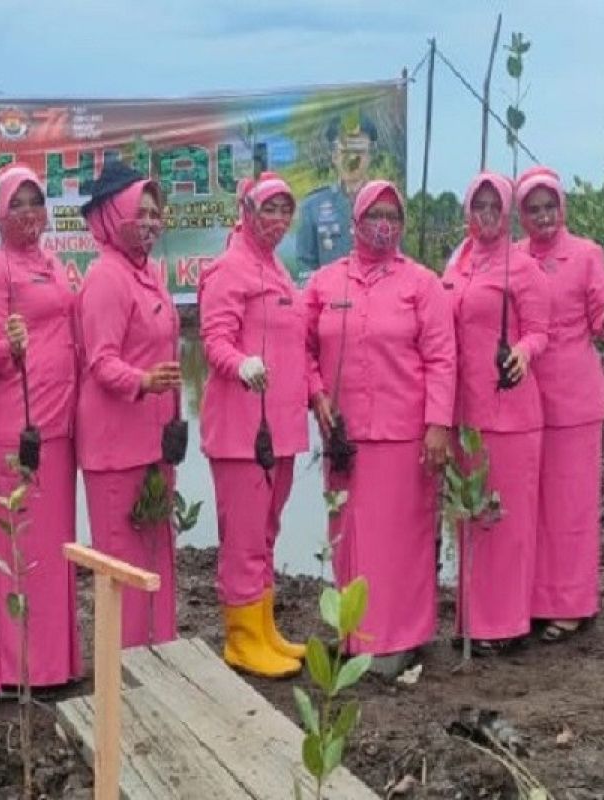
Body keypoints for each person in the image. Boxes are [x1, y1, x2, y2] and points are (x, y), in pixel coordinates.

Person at [306, 180, 456, 678]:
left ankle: (402, 638)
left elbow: (441, 358)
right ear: (356, 219)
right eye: (375, 213)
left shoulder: (423, 284)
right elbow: (301, 348)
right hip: (345, 437)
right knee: (349, 535)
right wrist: (317, 394)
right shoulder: (327, 284)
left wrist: (438, 426)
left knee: (402, 540)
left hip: (405, 434)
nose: (383, 223)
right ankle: (355, 636)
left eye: (393, 214)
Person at [0, 165, 82, 688]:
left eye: (37, 201)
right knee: (22, 550)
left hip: (59, 428)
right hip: (17, 431)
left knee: (55, 548)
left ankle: (58, 665)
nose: (30, 212)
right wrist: (10, 347)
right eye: (18, 203)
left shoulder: (56, 263)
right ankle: (22, 672)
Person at [199, 172, 310, 679]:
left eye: (286, 210)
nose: (279, 220)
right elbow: (215, 338)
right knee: (243, 536)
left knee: (267, 531)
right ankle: (241, 639)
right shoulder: (229, 268)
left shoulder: (278, 269)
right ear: (247, 211)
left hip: (281, 429)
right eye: (269, 209)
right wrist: (240, 364)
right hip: (243, 432)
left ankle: (264, 628)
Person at [514, 166, 604, 643]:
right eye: (533, 208)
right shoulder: (511, 257)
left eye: (549, 207)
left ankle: (570, 604)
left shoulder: (585, 254)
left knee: (570, 505)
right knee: (531, 504)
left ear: (562, 207)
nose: (543, 216)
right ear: (520, 214)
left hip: (575, 397)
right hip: (523, 396)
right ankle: (530, 599)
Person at [442, 172, 549, 655]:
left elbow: (540, 330)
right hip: (465, 411)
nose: (486, 215)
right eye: (478, 206)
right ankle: (472, 618)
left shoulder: (521, 266)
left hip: (510, 412)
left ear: (507, 213)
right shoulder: (457, 262)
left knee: (504, 520)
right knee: (471, 516)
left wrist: (523, 353)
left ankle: (505, 624)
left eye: (494, 207)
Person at [76, 161, 181, 648]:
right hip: (116, 446)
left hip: (155, 441)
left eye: (156, 213)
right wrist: (143, 381)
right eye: (139, 212)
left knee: (156, 553)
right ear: (114, 214)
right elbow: (101, 362)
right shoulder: (105, 279)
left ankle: (158, 650)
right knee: (123, 561)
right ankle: (125, 666)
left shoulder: (151, 274)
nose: (150, 221)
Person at [295, 113, 379, 279]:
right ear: (334, 156)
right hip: (330, 302)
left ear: (369, 156)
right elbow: (305, 267)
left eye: (359, 151)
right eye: (346, 151)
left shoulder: (385, 204)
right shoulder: (312, 206)